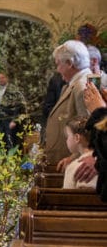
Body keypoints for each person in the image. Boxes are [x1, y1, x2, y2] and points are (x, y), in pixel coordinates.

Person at [45, 40, 91, 168]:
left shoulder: (82, 87)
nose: (57, 70)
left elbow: (87, 131)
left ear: (70, 63)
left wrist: (73, 158)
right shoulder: (74, 84)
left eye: (58, 64)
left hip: (74, 164)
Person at [0, 72, 25, 153]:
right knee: (1, 142)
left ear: (7, 78)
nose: (1, 80)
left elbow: (18, 106)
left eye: (3, 78)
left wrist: (14, 120)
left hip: (10, 120)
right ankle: (3, 162)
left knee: (11, 142)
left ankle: (13, 163)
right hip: (1, 120)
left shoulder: (13, 90)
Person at [62, 116, 97, 189]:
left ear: (77, 138)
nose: (66, 140)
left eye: (67, 136)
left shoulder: (75, 166)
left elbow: (65, 197)